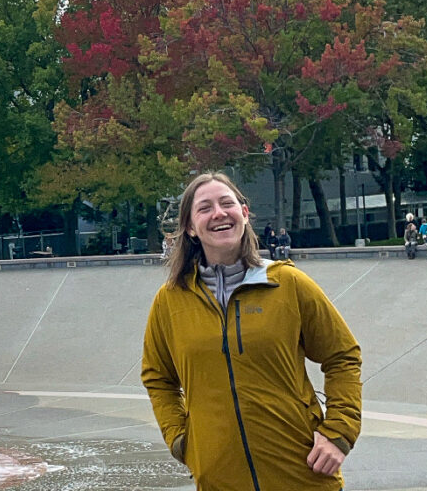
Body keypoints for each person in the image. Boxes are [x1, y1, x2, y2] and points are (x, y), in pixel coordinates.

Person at [142, 172, 361, 491]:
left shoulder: (288, 284)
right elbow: (158, 377)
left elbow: (342, 356)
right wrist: (182, 440)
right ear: (190, 227)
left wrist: (339, 431)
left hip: (301, 473)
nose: (218, 213)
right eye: (204, 208)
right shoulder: (170, 301)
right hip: (219, 478)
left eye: (227, 203)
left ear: (244, 214)